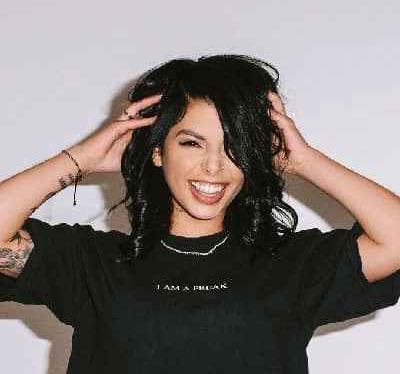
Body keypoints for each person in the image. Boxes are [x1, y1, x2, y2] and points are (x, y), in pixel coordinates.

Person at [0, 54, 399, 373]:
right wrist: (80, 159)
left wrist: (304, 161)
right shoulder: (92, 263)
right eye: (192, 143)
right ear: (158, 151)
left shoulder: (291, 265)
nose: (213, 166)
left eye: (234, 145)